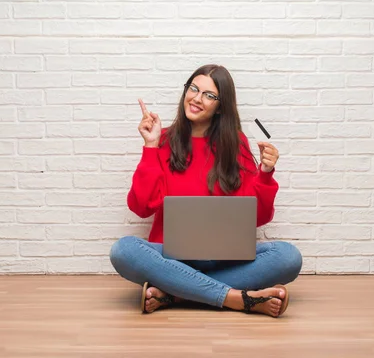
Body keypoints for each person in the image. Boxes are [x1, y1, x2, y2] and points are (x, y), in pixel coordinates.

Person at [110, 64, 302, 317]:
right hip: (171, 257)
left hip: (224, 259)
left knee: (288, 257)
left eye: (209, 95)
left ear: (220, 105)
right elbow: (141, 207)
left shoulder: (237, 144)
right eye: (194, 89)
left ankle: (176, 292)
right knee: (124, 250)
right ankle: (235, 298)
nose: (197, 99)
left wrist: (265, 175)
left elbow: (258, 218)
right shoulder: (163, 140)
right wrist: (151, 146)